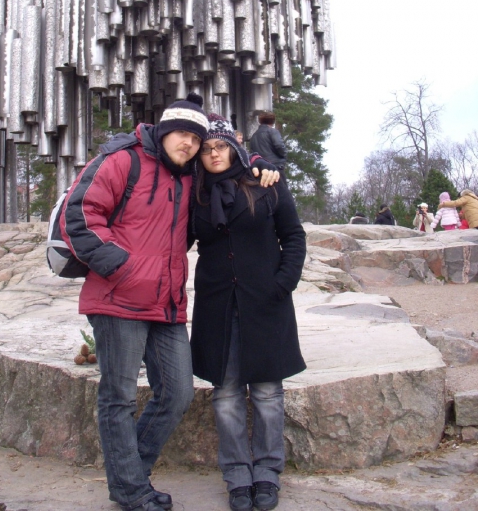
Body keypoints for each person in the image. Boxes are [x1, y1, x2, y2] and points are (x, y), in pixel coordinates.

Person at [60, 94, 280, 511]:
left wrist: (257, 161)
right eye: (182, 134)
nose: (190, 144)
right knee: (119, 397)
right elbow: (80, 214)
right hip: (118, 298)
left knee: (178, 392)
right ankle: (131, 490)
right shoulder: (122, 160)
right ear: (163, 130)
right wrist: (122, 268)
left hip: (165, 304)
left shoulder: (190, 174)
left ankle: (130, 473)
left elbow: (225, 155)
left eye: (196, 139)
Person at [190, 114, 306, 511]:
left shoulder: (265, 183)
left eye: (221, 146)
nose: (214, 154)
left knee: (268, 393)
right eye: (206, 149)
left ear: (234, 148)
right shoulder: (196, 195)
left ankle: (268, 471)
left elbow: (293, 236)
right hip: (217, 305)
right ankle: (237, 475)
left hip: (265, 302)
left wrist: (282, 283)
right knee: (225, 395)